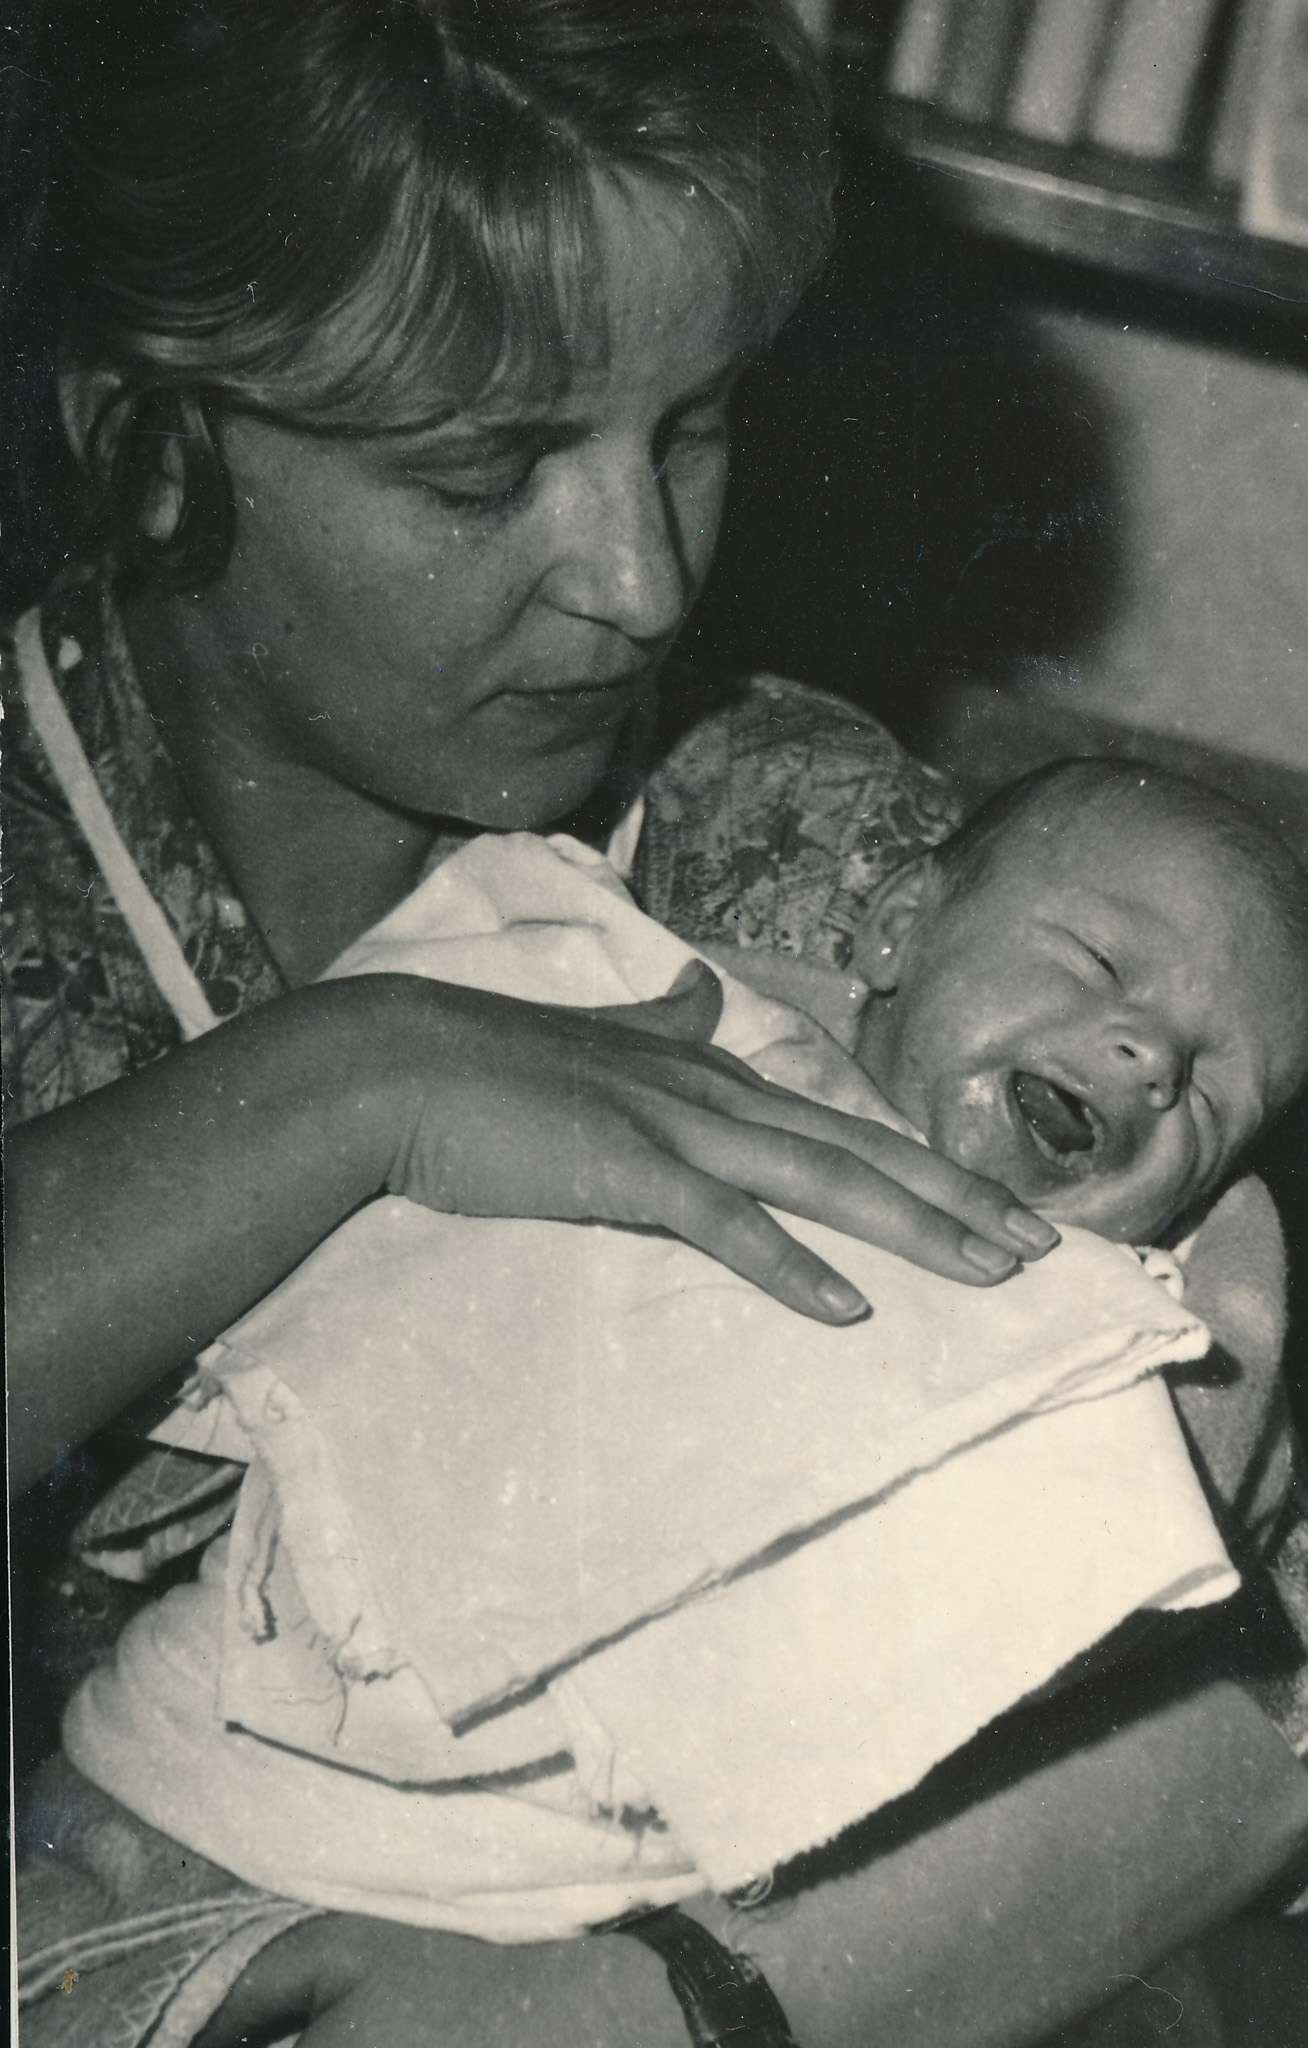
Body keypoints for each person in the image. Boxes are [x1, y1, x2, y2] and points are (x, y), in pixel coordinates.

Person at [5, 5, 1307, 2045]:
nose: (639, 577)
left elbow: (1263, 1671)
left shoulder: (773, 833)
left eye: (691, 423)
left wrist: (665, 2003)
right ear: (150, 434)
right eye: (487, 470)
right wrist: (356, 1081)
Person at [41, 756, 1307, 1993]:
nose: (1151, 1058)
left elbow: (1188, 1535)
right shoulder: (676, 1036)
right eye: (1095, 962)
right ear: (896, 929)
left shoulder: (1095, 1329)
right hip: (188, 1781)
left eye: (1210, 1095)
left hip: (560, 1931)